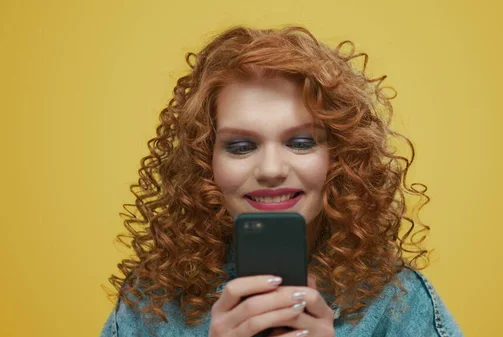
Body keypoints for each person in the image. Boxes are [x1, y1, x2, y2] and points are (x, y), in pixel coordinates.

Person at [100, 26, 463, 337]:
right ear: (206, 163)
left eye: (301, 142)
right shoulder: (152, 306)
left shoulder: (398, 304)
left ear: (339, 158)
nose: (271, 169)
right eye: (241, 146)